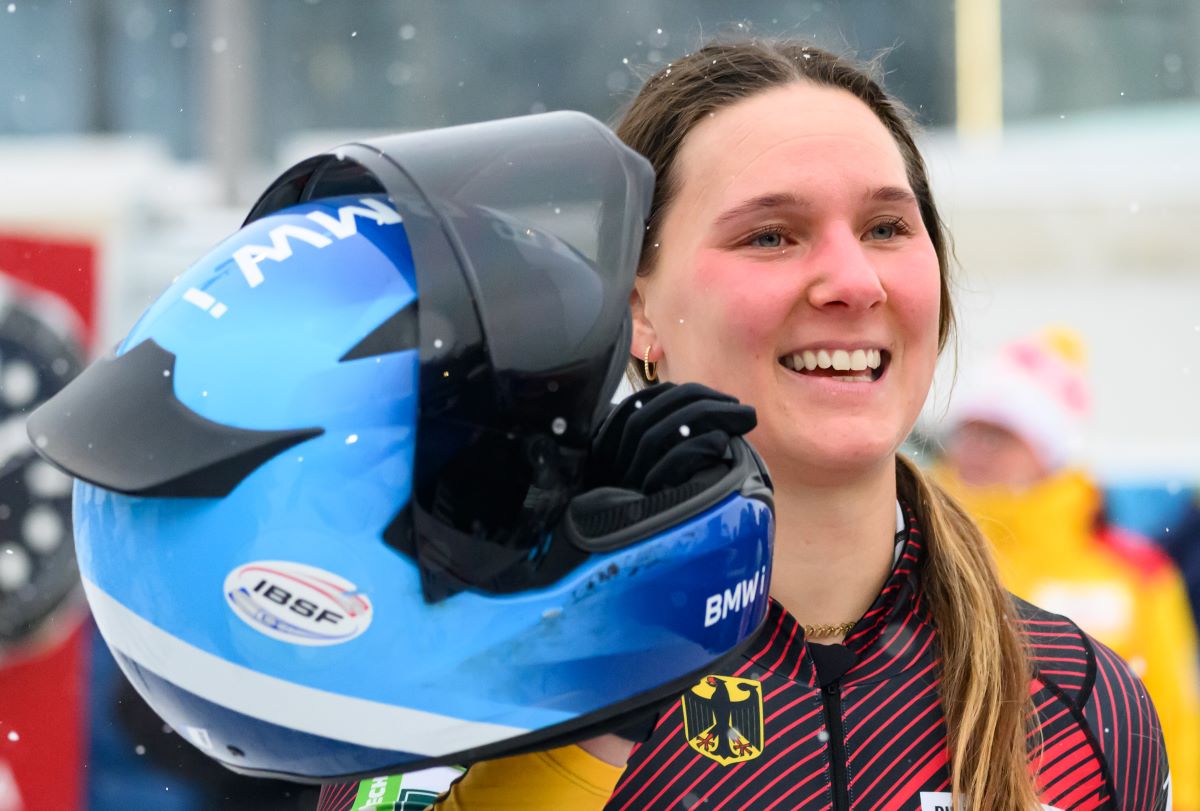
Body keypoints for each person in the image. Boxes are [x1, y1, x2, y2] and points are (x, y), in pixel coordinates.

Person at [317, 40, 1171, 810]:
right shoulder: (468, 666)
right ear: (636, 310)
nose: (853, 281)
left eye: (885, 227)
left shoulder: (1081, 705)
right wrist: (596, 680)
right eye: (771, 235)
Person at [935, 326, 1200, 810]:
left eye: (1000, 436)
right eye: (969, 430)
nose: (976, 449)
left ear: (1048, 450)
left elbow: (1175, 727)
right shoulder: (921, 545)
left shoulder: (1134, 574)